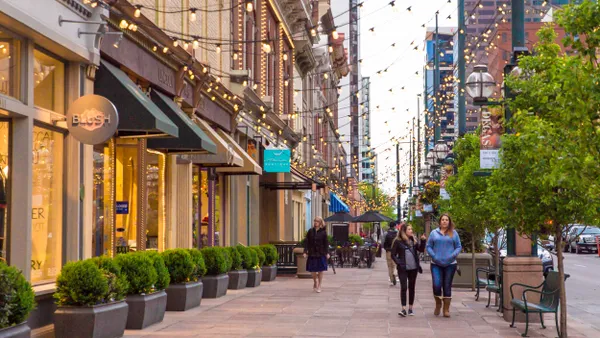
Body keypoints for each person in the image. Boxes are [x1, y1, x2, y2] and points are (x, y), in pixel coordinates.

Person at [426, 214, 462, 317]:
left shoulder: (454, 233)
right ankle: (438, 304)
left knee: (447, 285)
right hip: (436, 263)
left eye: (447, 220)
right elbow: (428, 246)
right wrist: (434, 256)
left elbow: (458, 246)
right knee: (436, 285)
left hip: (450, 263)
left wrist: (453, 255)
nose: (445, 221)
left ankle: (446, 309)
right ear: (440, 222)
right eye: (443, 220)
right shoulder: (434, 233)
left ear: (449, 222)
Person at [392, 223, 427, 317]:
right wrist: (399, 263)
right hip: (403, 268)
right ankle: (403, 308)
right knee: (404, 287)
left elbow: (420, 249)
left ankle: (410, 308)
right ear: (404, 231)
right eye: (409, 229)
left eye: (411, 229)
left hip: (413, 268)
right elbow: (393, 254)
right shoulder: (398, 241)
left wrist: (423, 241)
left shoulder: (414, 241)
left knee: (412, 288)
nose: (411, 231)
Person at [303, 217, 330, 293]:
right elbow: (306, 242)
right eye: (314, 221)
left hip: (321, 253)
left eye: (317, 221)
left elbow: (326, 243)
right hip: (312, 253)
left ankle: (319, 285)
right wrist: (305, 251)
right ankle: (315, 281)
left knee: (321, 270)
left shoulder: (323, 232)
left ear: (320, 223)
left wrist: (327, 253)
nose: (315, 222)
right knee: (312, 270)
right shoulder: (310, 231)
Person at [383, 221, 399, 285]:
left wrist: (386, 248)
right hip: (395, 251)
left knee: (389, 266)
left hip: (388, 251)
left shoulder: (386, 233)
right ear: (394, 226)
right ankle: (395, 273)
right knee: (395, 264)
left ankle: (392, 279)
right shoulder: (397, 233)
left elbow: (383, 243)